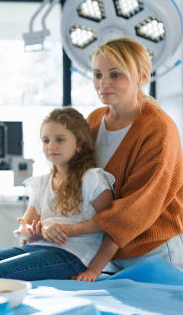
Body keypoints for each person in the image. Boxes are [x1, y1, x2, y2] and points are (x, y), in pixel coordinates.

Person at [29, 37, 183, 272]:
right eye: (97, 75)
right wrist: (42, 222)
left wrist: (68, 230)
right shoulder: (93, 120)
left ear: (142, 77)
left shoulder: (159, 128)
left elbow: (137, 207)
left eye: (115, 74)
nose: (103, 84)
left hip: (151, 251)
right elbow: (74, 177)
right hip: (101, 251)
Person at [0, 108, 119, 281]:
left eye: (60, 139)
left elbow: (115, 229)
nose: (51, 146)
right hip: (34, 247)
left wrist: (94, 271)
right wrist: (38, 230)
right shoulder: (41, 183)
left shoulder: (92, 179)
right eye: (46, 140)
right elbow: (24, 230)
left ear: (79, 143)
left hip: (71, 255)